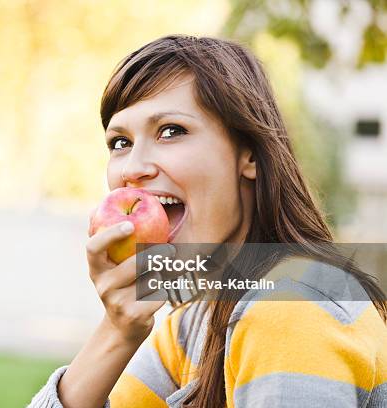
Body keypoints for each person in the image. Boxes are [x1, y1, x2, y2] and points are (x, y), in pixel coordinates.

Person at [28, 35, 387, 408]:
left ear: (248, 154)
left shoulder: (293, 306)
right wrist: (118, 331)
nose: (133, 168)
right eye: (120, 142)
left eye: (171, 131)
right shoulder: (193, 322)